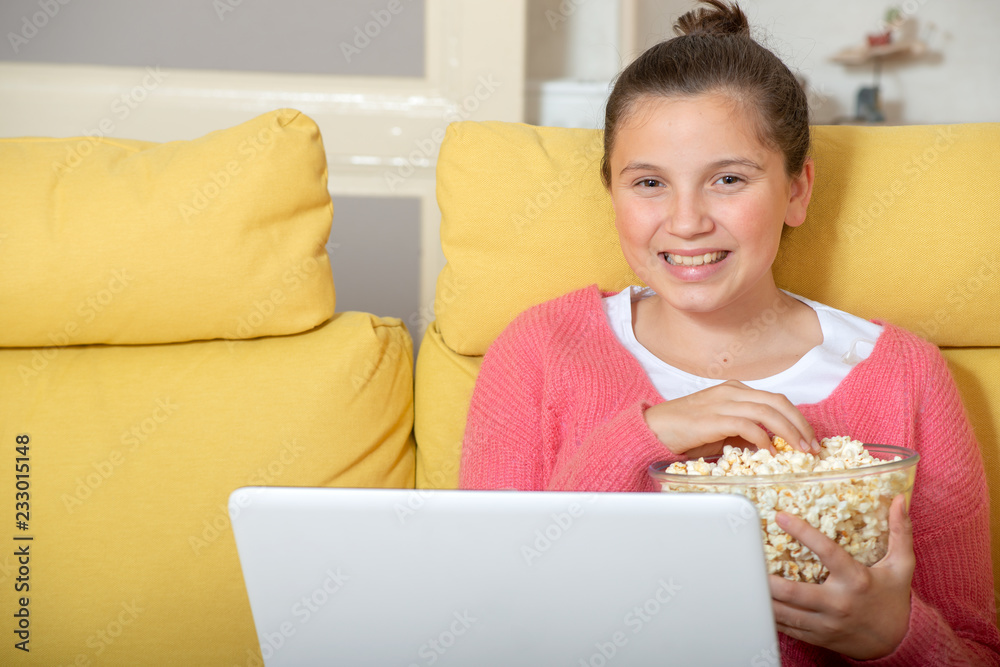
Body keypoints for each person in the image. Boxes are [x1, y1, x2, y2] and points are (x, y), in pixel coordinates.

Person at [459, 1, 1000, 664]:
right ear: (612, 195)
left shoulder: (906, 375)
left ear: (797, 190)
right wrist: (648, 435)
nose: (686, 221)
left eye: (729, 179)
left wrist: (897, 637)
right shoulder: (540, 351)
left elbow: (975, 648)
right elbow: (484, 612)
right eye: (650, 182)